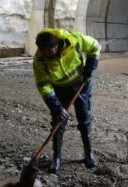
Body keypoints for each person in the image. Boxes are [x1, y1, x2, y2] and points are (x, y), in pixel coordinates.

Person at [33, 28, 101, 173]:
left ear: (57, 44)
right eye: (45, 51)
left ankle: (88, 154)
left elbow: (95, 47)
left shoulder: (73, 39)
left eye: (51, 50)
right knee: (58, 121)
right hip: (60, 90)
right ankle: (56, 158)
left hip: (81, 85)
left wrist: (90, 68)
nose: (49, 53)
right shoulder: (39, 59)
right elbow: (44, 86)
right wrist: (57, 107)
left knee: (84, 119)